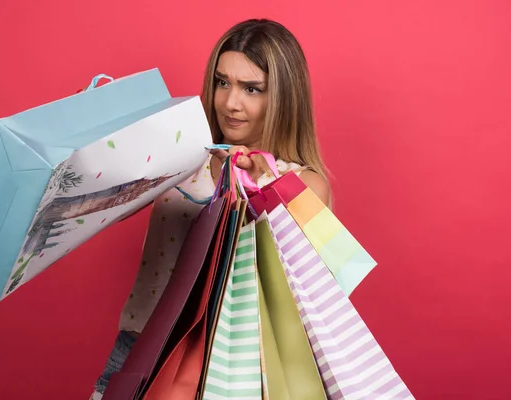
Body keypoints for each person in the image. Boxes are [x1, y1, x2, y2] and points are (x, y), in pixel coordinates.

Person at [89, 18, 332, 400]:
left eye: (252, 89)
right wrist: (105, 138)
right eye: (223, 82)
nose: (230, 103)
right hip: (138, 349)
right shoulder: (182, 156)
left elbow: (295, 287)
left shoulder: (304, 183)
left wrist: (257, 184)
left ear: (285, 96)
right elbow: (103, 203)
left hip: (230, 370)